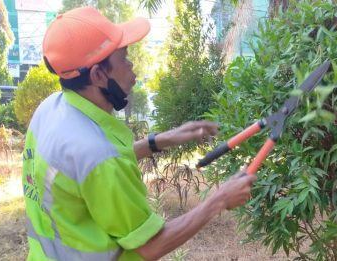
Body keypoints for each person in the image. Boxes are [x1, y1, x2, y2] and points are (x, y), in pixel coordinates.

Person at [22, 6, 256, 261]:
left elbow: (86, 174)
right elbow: (151, 246)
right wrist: (219, 199)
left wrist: (160, 140)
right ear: (99, 75)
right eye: (123, 57)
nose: (131, 63)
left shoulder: (50, 109)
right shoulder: (98, 156)